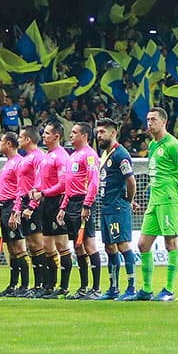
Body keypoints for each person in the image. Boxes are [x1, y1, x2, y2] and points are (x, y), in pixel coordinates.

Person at [134, 107, 178, 302]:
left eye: (153, 119)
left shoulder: (174, 145)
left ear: (163, 122)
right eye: (148, 119)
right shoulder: (153, 145)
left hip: (169, 199)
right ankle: (147, 289)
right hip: (154, 200)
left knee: (170, 242)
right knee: (142, 244)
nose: (149, 123)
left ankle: (169, 290)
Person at [93, 118, 138, 300]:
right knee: (109, 247)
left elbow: (131, 182)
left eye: (103, 132)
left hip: (117, 207)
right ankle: (113, 288)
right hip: (106, 207)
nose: (99, 135)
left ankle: (131, 287)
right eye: (98, 132)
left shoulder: (121, 154)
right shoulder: (105, 154)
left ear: (113, 133)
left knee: (122, 245)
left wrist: (128, 200)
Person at [32, 120, 71, 297]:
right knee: (48, 246)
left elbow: (63, 184)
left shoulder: (61, 156)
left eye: (47, 133)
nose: (43, 136)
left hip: (57, 202)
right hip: (46, 203)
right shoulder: (46, 156)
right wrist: (36, 189)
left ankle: (64, 287)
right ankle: (49, 285)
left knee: (61, 245)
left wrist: (44, 193)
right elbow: (42, 180)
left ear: (56, 136)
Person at [62, 122, 101, 299]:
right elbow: (68, 185)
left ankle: (96, 288)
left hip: (83, 203)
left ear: (84, 136)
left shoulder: (90, 155)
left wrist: (87, 205)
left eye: (75, 132)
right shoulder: (73, 156)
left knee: (89, 244)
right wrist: (63, 207)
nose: (71, 135)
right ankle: (84, 287)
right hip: (71, 204)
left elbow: (93, 182)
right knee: (77, 246)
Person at [0, 132, 31, 297]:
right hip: (4, 206)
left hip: (12, 206)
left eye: (1, 142)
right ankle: (12, 285)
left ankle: (24, 285)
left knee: (19, 246)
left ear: (9, 144)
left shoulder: (19, 163)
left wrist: (15, 211)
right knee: (10, 248)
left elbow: (21, 189)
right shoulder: (8, 163)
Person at [13, 125, 47, 296]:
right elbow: (21, 186)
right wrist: (18, 207)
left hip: (36, 202)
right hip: (26, 201)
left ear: (27, 139)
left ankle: (43, 284)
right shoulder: (26, 158)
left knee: (38, 244)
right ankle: (37, 284)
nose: (18, 140)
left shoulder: (39, 157)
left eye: (20, 137)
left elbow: (40, 183)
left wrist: (32, 206)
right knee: (32, 245)